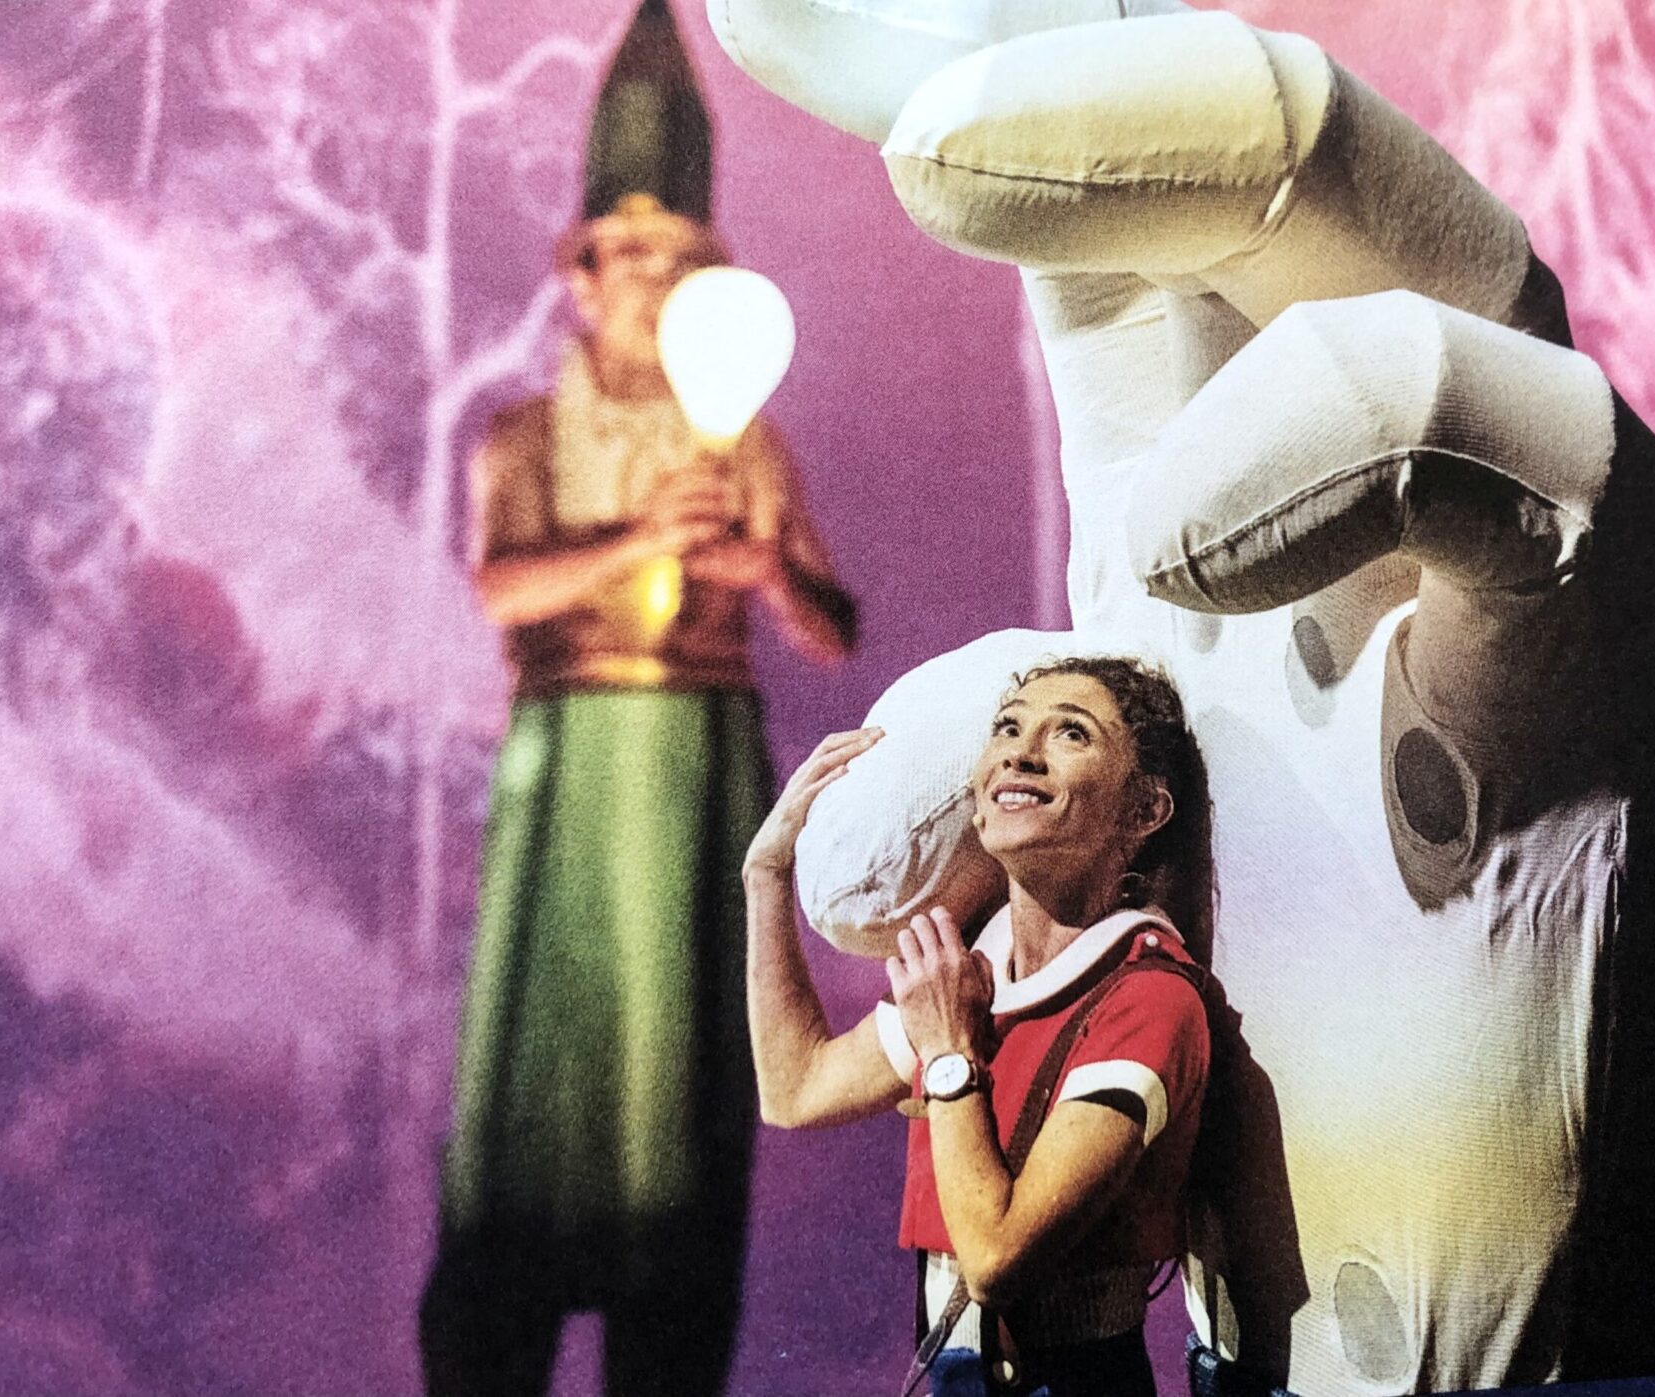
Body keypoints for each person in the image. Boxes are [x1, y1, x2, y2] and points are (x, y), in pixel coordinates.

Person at [418, 6, 858, 1393]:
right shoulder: (520, 434)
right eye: (631, 258)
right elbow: (502, 586)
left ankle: (667, 1310)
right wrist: (640, 543)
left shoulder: (747, 439)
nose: (653, 285)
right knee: (546, 1047)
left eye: (680, 264)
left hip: (699, 765)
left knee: (680, 1060)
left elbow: (833, 627)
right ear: (585, 276)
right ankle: (508, 1293)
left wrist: (765, 567)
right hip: (570, 766)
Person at [743, 657, 1210, 1397]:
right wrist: (766, 875)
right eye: (1008, 728)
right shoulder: (976, 970)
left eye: (1072, 734)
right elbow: (795, 1088)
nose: (1021, 753)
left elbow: (996, 1258)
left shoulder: (1147, 997)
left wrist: (948, 1057)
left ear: (1145, 809)